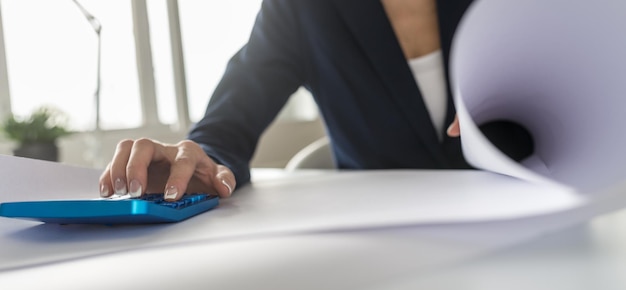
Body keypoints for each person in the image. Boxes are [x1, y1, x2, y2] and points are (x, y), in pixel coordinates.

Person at [99, 0, 530, 201]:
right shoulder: (300, 10)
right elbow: (230, 123)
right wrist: (197, 160)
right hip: (386, 250)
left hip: (538, 221)